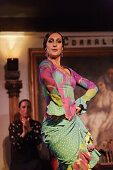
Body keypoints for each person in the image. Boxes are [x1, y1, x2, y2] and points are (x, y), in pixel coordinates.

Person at [39, 32, 100, 170]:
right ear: (45, 48)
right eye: (51, 41)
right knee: (77, 164)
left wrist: (79, 103)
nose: (54, 44)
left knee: (72, 165)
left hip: (72, 124)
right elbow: (46, 79)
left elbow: (93, 87)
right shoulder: (46, 65)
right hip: (56, 126)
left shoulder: (70, 72)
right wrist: (62, 105)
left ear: (62, 48)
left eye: (58, 41)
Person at [9, 99, 52, 170]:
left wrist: (30, 130)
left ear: (31, 109)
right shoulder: (14, 125)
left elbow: (38, 142)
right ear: (19, 110)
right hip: (19, 160)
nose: (26, 109)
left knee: (45, 164)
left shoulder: (36, 124)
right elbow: (15, 145)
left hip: (33, 158)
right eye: (23, 107)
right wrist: (24, 133)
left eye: (28, 107)